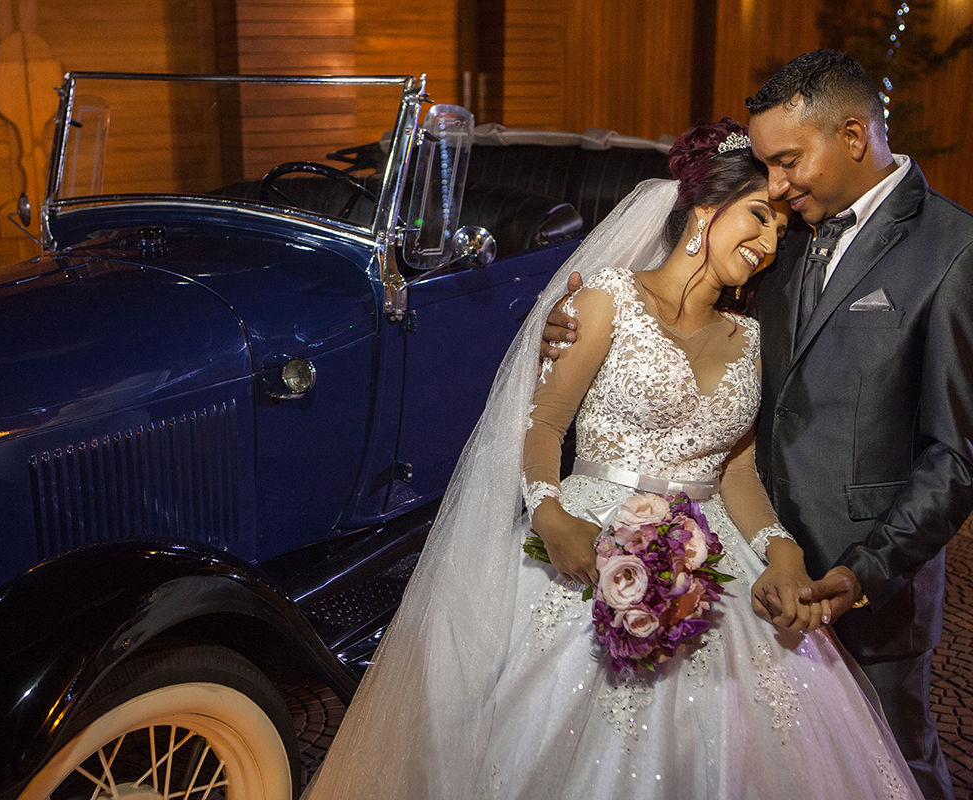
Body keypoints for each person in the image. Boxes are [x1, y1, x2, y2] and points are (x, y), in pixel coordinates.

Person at [303, 119, 922, 799]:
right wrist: (550, 515)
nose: (770, 244)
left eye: (781, 229)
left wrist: (780, 551)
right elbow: (544, 423)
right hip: (588, 534)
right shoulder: (606, 298)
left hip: (715, 555)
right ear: (706, 210)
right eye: (758, 216)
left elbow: (736, 470)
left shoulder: (748, 336)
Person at [545, 51, 973, 800]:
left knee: (892, 767)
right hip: (738, 560)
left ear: (852, 136)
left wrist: (863, 573)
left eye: (787, 161)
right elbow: (683, 307)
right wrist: (568, 328)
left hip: (865, 574)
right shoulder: (782, 228)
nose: (775, 186)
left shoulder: (955, 250)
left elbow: (956, 456)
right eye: (767, 171)